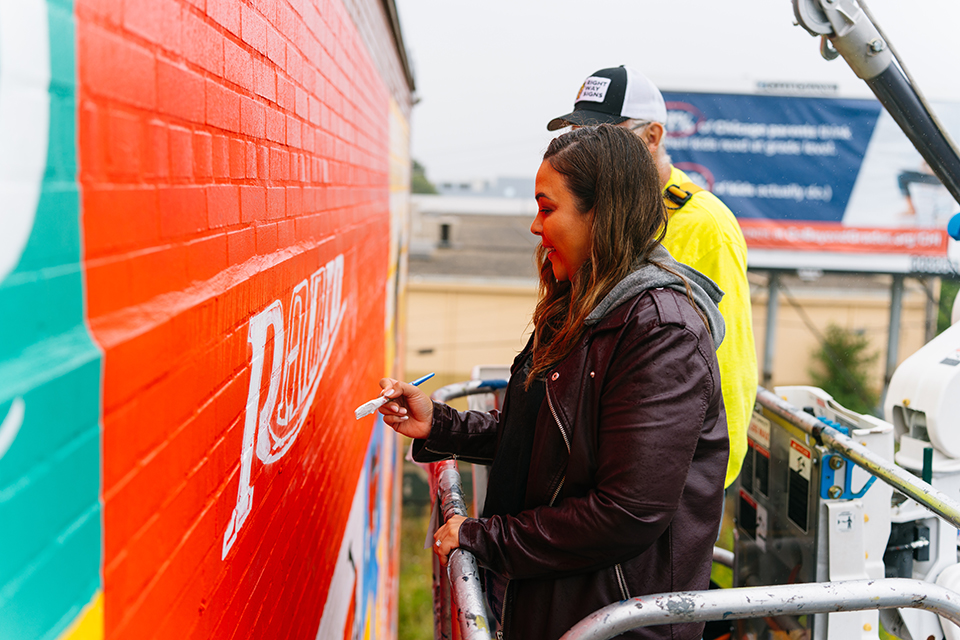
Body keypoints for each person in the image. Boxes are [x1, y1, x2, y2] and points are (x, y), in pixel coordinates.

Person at [379, 125, 728, 640]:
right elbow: (546, 441)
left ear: (601, 214)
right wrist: (442, 424)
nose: (535, 226)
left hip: (615, 624)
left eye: (547, 208)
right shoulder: (579, 304)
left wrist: (485, 538)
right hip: (559, 606)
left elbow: (628, 511)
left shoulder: (661, 329)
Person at [547, 66, 757, 489]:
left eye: (606, 132)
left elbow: (727, 362)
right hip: (602, 455)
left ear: (653, 136)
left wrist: (709, 476)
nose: (588, 146)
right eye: (578, 131)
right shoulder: (596, 211)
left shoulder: (704, 224)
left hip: (664, 476)